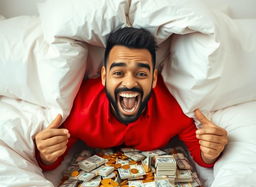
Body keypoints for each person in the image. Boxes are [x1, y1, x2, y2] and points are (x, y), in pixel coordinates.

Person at [35, 27, 228, 171]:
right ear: (103, 77)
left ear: (154, 78)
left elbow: (202, 158)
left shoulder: (175, 109)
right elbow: (51, 161)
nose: (129, 83)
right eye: (118, 72)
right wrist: (46, 155)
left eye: (141, 74)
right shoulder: (79, 111)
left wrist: (211, 152)